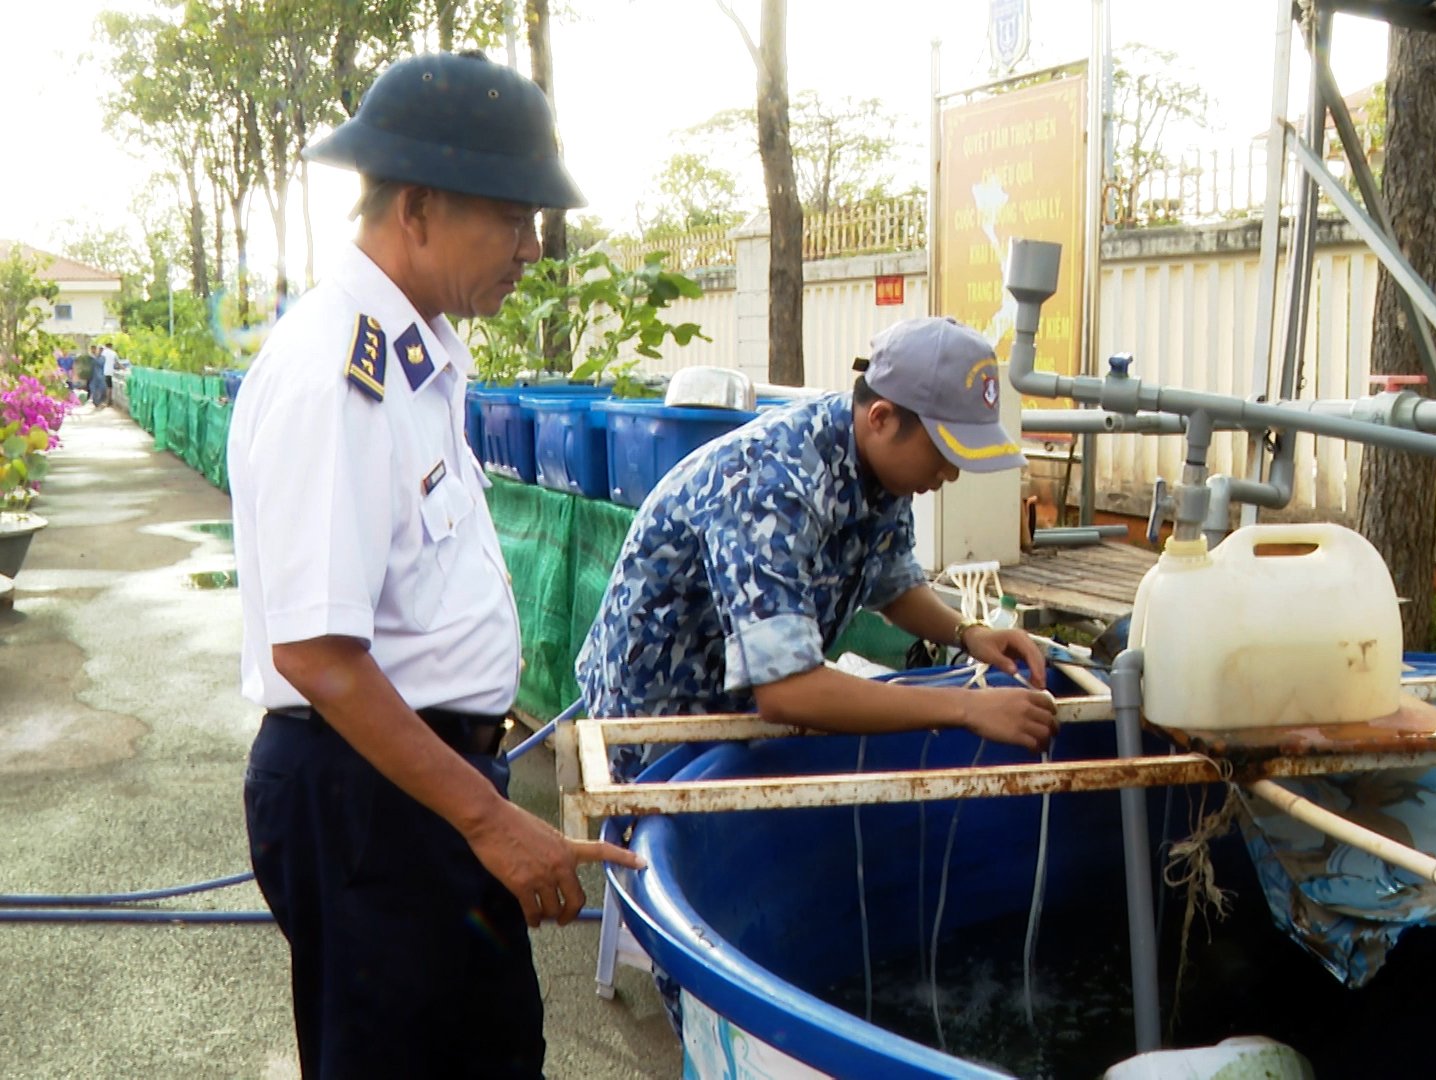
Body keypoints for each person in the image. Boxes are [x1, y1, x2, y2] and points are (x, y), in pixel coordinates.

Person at [226, 51, 643, 1079]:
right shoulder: (341, 374)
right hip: (368, 795)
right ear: (417, 207)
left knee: (487, 1050)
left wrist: (479, 801)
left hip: (421, 781)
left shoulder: (415, 357)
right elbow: (320, 657)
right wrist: (493, 822)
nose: (532, 248)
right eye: (513, 217)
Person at [576, 315, 1059, 782]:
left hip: (733, 713)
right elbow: (789, 692)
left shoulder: (880, 471)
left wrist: (968, 634)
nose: (950, 473)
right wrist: (967, 709)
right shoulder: (770, 486)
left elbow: (891, 583)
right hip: (656, 723)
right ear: (882, 418)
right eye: (943, 452)